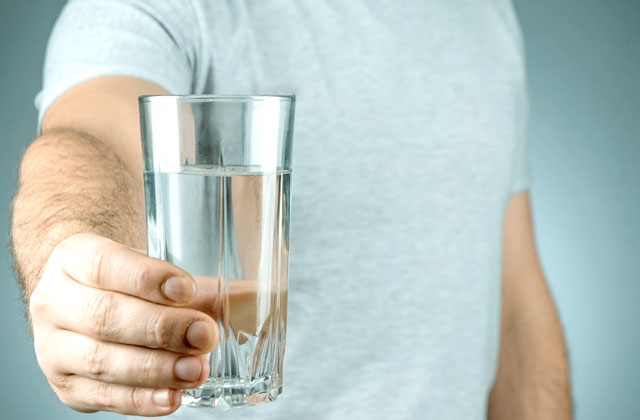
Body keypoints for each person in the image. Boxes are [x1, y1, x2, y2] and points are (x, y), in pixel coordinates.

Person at [10, 0, 571, 419]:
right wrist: (71, 246)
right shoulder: (154, 8)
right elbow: (92, 140)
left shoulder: (483, 15)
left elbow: (515, 306)